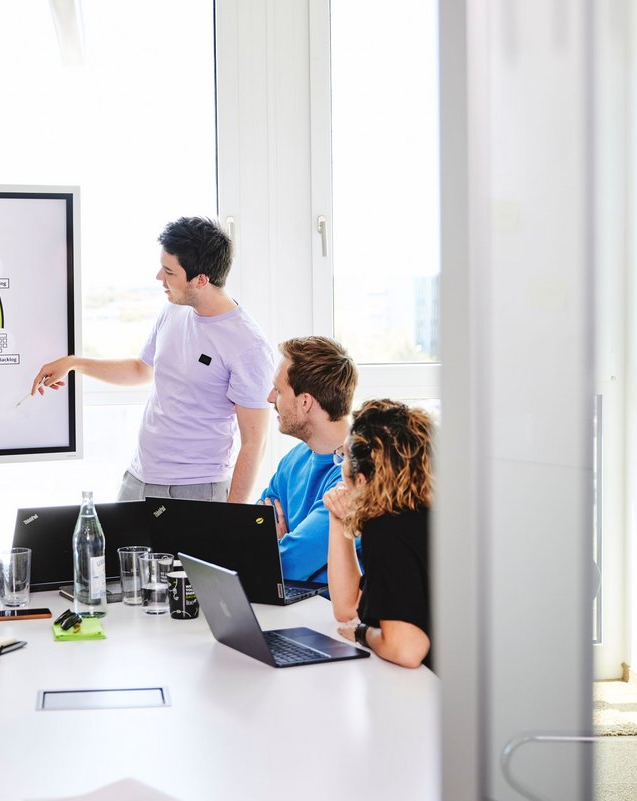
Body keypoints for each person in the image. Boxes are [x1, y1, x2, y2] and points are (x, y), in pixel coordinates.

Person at [30, 216, 275, 503]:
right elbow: (140, 370)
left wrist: (232, 519)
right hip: (139, 479)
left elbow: (254, 443)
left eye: (169, 272)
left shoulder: (248, 344)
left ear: (200, 280)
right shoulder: (173, 311)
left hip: (196, 489)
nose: (159, 277)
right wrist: (74, 363)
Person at [324, 399, 433, 670]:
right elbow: (349, 607)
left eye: (344, 458)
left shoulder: (386, 530)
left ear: (361, 480)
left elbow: (407, 649)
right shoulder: (420, 514)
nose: (342, 467)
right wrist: (338, 520)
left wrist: (363, 634)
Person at [258, 336, 359, 584]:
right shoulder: (294, 460)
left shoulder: (356, 474)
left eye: (279, 390)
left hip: (333, 615)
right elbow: (251, 529)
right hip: (289, 604)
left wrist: (278, 545)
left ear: (305, 402)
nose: (270, 398)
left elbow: (287, 564)